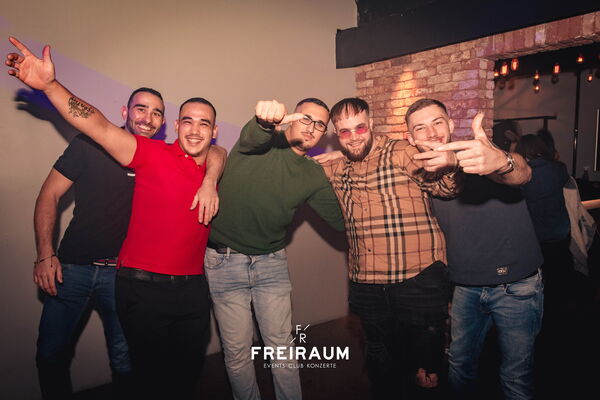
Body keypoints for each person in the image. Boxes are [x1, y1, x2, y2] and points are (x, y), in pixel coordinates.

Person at [6, 37, 227, 399]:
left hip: (166, 285)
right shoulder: (142, 153)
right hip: (97, 272)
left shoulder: (202, 161)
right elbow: (97, 127)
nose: (195, 129)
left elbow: (219, 151)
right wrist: (50, 86)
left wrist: (210, 180)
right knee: (55, 352)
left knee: (145, 368)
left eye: (204, 124)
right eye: (187, 121)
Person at [316, 97, 461, 399]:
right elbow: (292, 169)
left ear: (371, 124)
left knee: (427, 369)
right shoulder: (335, 166)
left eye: (360, 128)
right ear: (336, 134)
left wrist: (449, 166)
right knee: (381, 362)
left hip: (418, 278)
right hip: (366, 282)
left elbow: (445, 188)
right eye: (345, 131)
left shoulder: (402, 152)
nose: (354, 137)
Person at [204, 98, 345, 400]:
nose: (312, 128)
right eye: (306, 118)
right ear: (291, 118)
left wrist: (348, 166)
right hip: (224, 262)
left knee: (282, 349)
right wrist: (264, 122)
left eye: (320, 125)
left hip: (271, 264)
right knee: (238, 352)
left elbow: (342, 221)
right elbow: (252, 135)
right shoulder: (260, 143)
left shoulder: (313, 174)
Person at [32, 85, 164, 400]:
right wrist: (45, 254)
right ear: (125, 112)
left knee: (124, 358)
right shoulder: (88, 144)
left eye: (156, 112)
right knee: (50, 353)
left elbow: (213, 154)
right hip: (71, 269)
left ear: (162, 122)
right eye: (141, 108)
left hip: (124, 275)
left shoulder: (159, 158)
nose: (147, 118)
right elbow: (48, 194)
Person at [418, 99, 543, 400]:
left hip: (516, 285)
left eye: (437, 122)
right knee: (460, 367)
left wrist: (502, 161)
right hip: (465, 288)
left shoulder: (477, 156)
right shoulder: (420, 174)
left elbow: (522, 173)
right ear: (411, 137)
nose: (431, 132)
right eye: (420, 127)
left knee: (515, 376)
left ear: (450, 125)